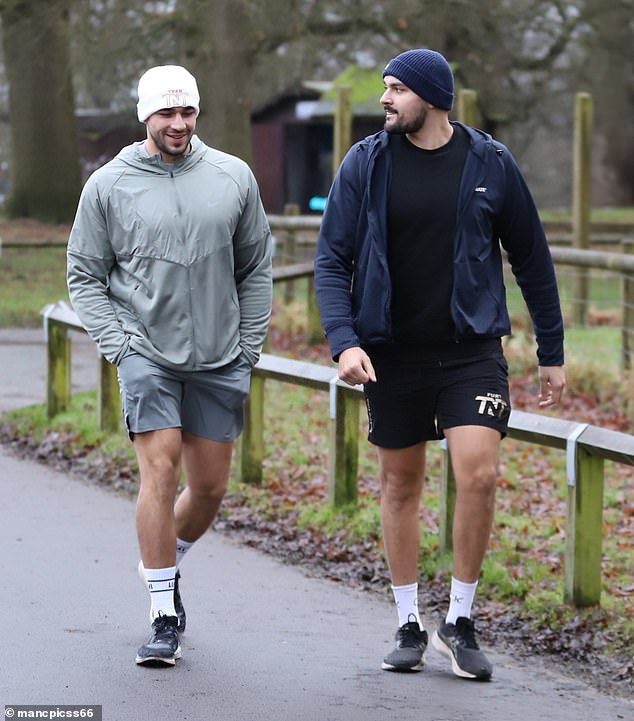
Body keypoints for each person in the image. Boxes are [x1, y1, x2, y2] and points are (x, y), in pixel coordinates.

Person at [314, 48, 565, 680]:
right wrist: (344, 340)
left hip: (471, 352)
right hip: (390, 354)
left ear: (431, 95)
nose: (386, 100)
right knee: (401, 483)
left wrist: (551, 351)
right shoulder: (365, 165)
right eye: (385, 88)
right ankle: (407, 620)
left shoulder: (491, 164)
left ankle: (460, 619)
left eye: (396, 89)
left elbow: (531, 258)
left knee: (477, 475)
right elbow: (331, 258)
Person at [67, 65, 273, 667]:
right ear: (145, 116)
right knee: (158, 472)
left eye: (187, 113)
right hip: (146, 354)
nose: (178, 124)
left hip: (219, 357)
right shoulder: (107, 186)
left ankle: (165, 561)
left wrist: (250, 347)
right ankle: (162, 613)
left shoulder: (232, 177)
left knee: (207, 489)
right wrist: (120, 347)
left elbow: (255, 266)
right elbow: (85, 275)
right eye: (167, 114)